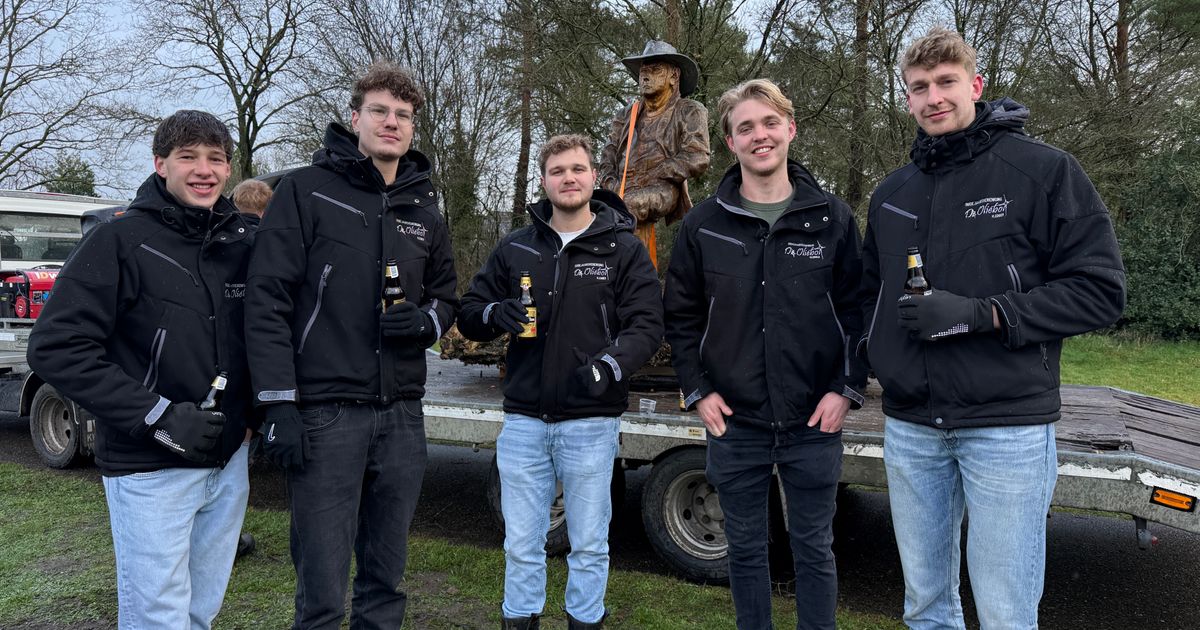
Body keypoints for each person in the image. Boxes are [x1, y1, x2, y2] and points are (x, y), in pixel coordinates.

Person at [859, 27, 1126, 629]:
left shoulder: (1043, 171)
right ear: (906, 98)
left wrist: (986, 313)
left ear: (975, 85)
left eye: (946, 82)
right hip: (911, 427)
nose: (934, 97)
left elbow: (1101, 292)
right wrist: (868, 357)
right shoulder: (892, 194)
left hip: (1006, 428)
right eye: (919, 87)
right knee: (926, 607)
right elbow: (866, 297)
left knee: (1006, 612)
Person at [245, 60, 458, 629]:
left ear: (414, 127)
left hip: (402, 416)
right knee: (321, 585)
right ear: (355, 118)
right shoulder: (305, 191)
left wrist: (425, 324)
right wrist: (278, 403)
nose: (392, 123)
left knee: (386, 580)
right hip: (325, 416)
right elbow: (267, 301)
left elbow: (446, 296)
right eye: (380, 112)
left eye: (404, 115)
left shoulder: (424, 207)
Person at [27, 110, 255, 629]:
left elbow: (262, 337)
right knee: (158, 615)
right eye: (188, 157)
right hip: (149, 466)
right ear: (160, 165)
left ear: (228, 168)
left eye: (216, 159)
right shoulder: (118, 240)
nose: (204, 170)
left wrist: (256, 417)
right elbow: (56, 347)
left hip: (228, 460)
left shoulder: (242, 242)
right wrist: (157, 414)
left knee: (201, 610)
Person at [663, 79, 867, 630]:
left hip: (812, 421)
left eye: (770, 123)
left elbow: (860, 312)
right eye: (745, 127)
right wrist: (696, 390)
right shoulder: (704, 225)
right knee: (746, 553)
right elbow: (679, 317)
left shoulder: (832, 219)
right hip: (736, 423)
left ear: (790, 129)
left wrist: (846, 390)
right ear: (730, 141)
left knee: (814, 553)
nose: (760, 136)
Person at [459, 134, 663, 630]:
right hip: (525, 421)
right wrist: (495, 312)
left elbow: (647, 325)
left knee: (590, 543)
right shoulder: (516, 246)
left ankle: (584, 619)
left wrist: (609, 367)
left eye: (577, 169)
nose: (568, 178)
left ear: (594, 178)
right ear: (545, 181)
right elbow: (468, 314)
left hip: (590, 422)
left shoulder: (623, 248)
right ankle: (520, 619)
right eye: (557, 171)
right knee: (522, 541)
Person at [597, 40, 710, 266]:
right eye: (643, 72)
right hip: (620, 187)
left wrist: (657, 173)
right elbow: (608, 152)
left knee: (627, 207)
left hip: (663, 187)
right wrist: (609, 181)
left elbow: (698, 157)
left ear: (674, 76)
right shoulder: (626, 114)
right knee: (587, 211)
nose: (645, 76)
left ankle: (635, 276)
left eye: (655, 70)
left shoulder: (689, 110)